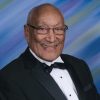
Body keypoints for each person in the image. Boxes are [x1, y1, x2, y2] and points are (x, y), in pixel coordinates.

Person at [0, 3, 99, 100]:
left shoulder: (80, 65)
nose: (51, 38)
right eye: (42, 29)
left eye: (58, 29)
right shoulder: (8, 79)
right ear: (27, 32)